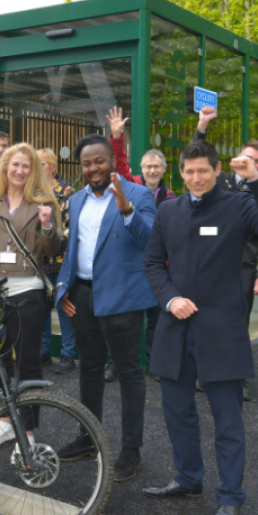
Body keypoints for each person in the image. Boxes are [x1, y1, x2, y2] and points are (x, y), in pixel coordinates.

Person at [142, 140, 258, 515]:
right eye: (188, 172)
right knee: (176, 410)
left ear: (218, 169)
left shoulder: (239, 205)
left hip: (222, 329)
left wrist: (255, 179)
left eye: (203, 171)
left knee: (227, 420)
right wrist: (170, 299)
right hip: (175, 327)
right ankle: (188, 478)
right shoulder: (168, 209)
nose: (195, 178)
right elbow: (153, 262)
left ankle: (230, 498)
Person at [54, 134, 156, 482]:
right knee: (89, 369)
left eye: (99, 161)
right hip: (82, 296)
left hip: (124, 298)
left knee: (129, 373)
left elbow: (150, 241)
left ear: (112, 160)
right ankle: (88, 438)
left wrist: (126, 207)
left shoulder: (140, 194)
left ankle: (131, 450)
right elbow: (74, 248)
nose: (93, 168)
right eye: (86, 163)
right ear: (80, 167)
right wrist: (63, 287)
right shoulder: (78, 199)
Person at [0, 143, 61, 458]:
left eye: (26, 166)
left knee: (29, 362)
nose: (20, 171)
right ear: (4, 167)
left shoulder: (44, 203)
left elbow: (53, 248)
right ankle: (5, 420)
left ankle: (27, 431)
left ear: (33, 171)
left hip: (26, 291)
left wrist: (47, 225)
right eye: (14, 165)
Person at [193, 106, 258, 401]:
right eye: (247, 158)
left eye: (257, 161)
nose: (251, 164)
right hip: (211, 264)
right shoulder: (218, 183)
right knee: (207, 321)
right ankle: (206, 374)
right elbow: (197, 157)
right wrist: (202, 126)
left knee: (237, 325)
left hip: (243, 268)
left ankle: (237, 378)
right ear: (236, 159)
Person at [106, 107, 176, 382]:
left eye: (157, 166)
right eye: (147, 166)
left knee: (158, 320)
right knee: (125, 318)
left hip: (160, 266)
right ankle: (118, 363)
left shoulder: (172, 197)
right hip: (132, 264)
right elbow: (120, 165)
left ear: (163, 170)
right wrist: (117, 135)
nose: (152, 170)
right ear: (142, 169)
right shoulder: (132, 185)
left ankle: (154, 364)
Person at [35, 148, 77, 374]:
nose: (39, 168)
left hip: (61, 259)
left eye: (42, 163)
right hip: (39, 260)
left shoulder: (68, 193)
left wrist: (56, 241)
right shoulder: (32, 192)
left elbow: (71, 227)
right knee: (41, 307)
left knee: (63, 306)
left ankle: (68, 354)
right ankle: (43, 352)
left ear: (52, 166)